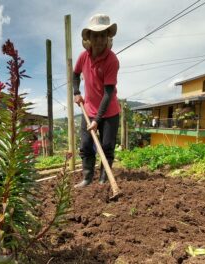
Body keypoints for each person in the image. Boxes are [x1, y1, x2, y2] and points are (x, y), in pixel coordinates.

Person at [73, 14, 120, 187]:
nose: (99, 40)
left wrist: (97, 120)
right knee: (86, 145)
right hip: (89, 109)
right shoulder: (83, 57)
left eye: (103, 35)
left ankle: (103, 179)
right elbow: (75, 74)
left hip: (109, 112)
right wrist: (76, 92)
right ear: (89, 38)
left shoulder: (112, 60)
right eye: (95, 35)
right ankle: (87, 177)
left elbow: (108, 93)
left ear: (108, 36)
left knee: (107, 146)